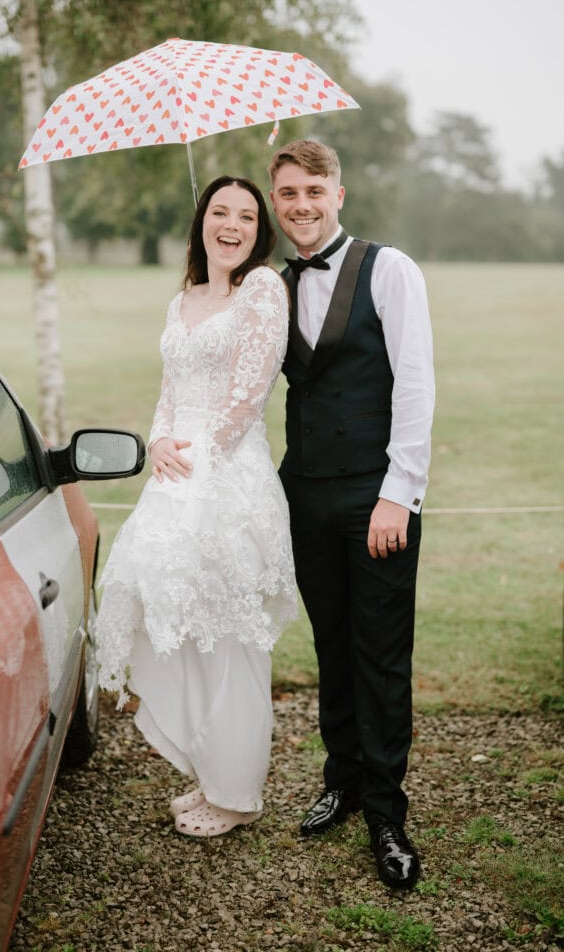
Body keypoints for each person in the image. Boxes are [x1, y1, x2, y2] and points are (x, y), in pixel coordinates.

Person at [96, 175, 298, 838]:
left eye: (245, 214)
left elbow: (248, 394)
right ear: (201, 221)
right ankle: (212, 773)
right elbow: (169, 390)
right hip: (177, 478)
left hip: (228, 484)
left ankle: (238, 793)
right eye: (219, 212)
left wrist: (198, 466)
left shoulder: (263, 289)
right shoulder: (181, 300)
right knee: (179, 627)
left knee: (230, 638)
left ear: (258, 229)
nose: (231, 225)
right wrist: (158, 442)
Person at [268, 140, 435, 889]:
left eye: (312, 190)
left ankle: (385, 814)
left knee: (378, 656)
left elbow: (415, 383)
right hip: (301, 493)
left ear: (338, 193)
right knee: (330, 647)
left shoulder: (388, 268)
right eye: (287, 194)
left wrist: (398, 491)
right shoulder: (269, 287)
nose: (300, 205)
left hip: (376, 499)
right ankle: (339, 779)